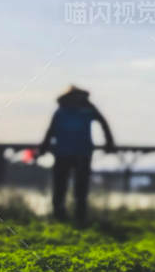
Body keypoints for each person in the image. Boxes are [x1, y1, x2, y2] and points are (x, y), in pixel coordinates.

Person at [35, 86, 116, 225]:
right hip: (70, 153)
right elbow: (51, 130)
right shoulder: (75, 110)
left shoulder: (76, 110)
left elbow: (50, 131)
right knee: (68, 187)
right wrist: (109, 143)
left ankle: (71, 216)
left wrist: (109, 142)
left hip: (76, 153)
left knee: (73, 187)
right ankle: (68, 215)